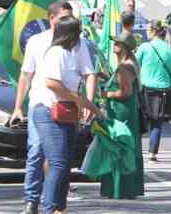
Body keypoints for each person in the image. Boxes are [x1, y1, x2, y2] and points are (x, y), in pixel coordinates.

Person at [9, 0, 73, 214]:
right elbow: (26, 75)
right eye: (63, 17)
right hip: (40, 106)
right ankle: (31, 200)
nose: (68, 22)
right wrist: (18, 106)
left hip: (64, 108)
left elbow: (86, 73)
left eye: (70, 18)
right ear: (51, 19)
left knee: (58, 158)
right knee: (36, 150)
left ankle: (54, 201)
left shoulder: (74, 42)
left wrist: (84, 100)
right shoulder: (37, 42)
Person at [41, 16, 100, 214]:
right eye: (78, 32)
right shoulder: (56, 53)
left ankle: (60, 207)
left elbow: (78, 87)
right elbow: (51, 82)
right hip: (51, 111)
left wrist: (92, 106)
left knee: (65, 163)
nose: (80, 36)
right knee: (57, 162)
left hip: (67, 112)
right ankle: (49, 208)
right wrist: (74, 97)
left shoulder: (71, 53)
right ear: (69, 34)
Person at [100, 31, 144, 199]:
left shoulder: (125, 67)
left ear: (124, 47)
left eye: (117, 43)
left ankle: (119, 188)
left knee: (118, 148)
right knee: (127, 147)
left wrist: (106, 95)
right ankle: (127, 188)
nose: (114, 45)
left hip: (121, 111)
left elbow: (125, 92)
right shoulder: (131, 63)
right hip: (128, 111)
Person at [136, 20, 171, 162]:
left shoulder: (144, 47)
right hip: (164, 90)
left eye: (148, 29)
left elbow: (134, 66)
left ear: (153, 31)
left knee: (141, 119)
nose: (146, 32)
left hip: (145, 89)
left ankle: (136, 151)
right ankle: (152, 152)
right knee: (157, 122)